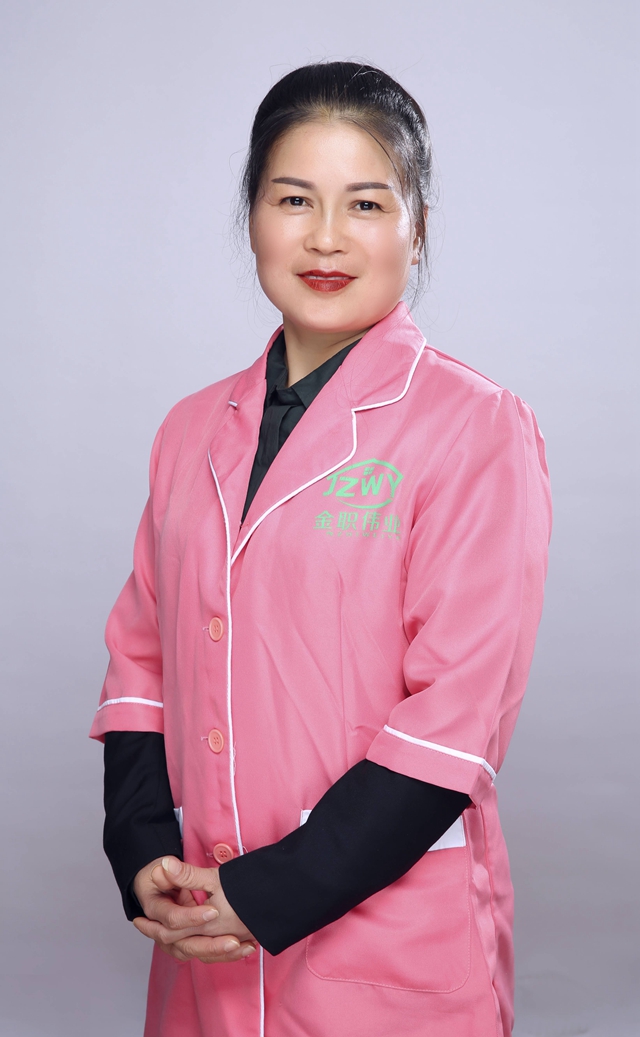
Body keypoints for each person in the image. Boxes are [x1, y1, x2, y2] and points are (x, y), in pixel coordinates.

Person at [91, 61, 551, 1037]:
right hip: (201, 938)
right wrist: (138, 845)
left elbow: (454, 718)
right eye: (294, 199)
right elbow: (140, 658)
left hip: (386, 951)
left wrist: (269, 892)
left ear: (417, 228)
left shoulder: (474, 427)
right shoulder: (188, 430)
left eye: (367, 204)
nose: (327, 237)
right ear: (251, 215)